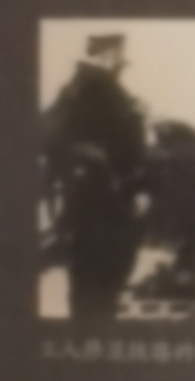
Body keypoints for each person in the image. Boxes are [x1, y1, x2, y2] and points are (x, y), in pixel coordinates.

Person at [39, 30, 150, 317]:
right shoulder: (101, 90)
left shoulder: (77, 88)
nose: (121, 66)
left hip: (85, 197)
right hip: (104, 199)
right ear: (110, 57)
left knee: (86, 283)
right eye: (119, 60)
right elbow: (126, 146)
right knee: (100, 283)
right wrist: (137, 116)